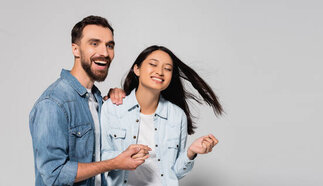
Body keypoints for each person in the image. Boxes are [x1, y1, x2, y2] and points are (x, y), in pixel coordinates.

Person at [29, 15, 151, 186]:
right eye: (94, 43)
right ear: (76, 49)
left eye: (109, 45)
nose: (104, 53)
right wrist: (114, 163)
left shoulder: (98, 100)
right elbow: (54, 175)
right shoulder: (52, 103)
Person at [101, 45, 223, 186]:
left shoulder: (177, 116)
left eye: (167, 69)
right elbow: (100, 156)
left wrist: (191, 152)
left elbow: (174, 173)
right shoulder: (112, 108)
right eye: (153, 64)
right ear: (137, 69)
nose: (160, 72)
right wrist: (123, 158)